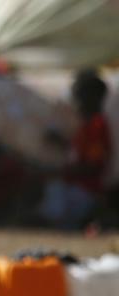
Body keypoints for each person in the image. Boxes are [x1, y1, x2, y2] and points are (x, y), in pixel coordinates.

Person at [39, 69, 112, 227]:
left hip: (86, 191)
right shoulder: (85, 127)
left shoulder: (97, 126)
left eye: (80, 96)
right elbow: (78, 152)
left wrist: (60, 172)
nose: (76, 102)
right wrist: (60, 142)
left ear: (93, 98)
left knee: (55, 191)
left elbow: (93, 166)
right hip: (76, 187)